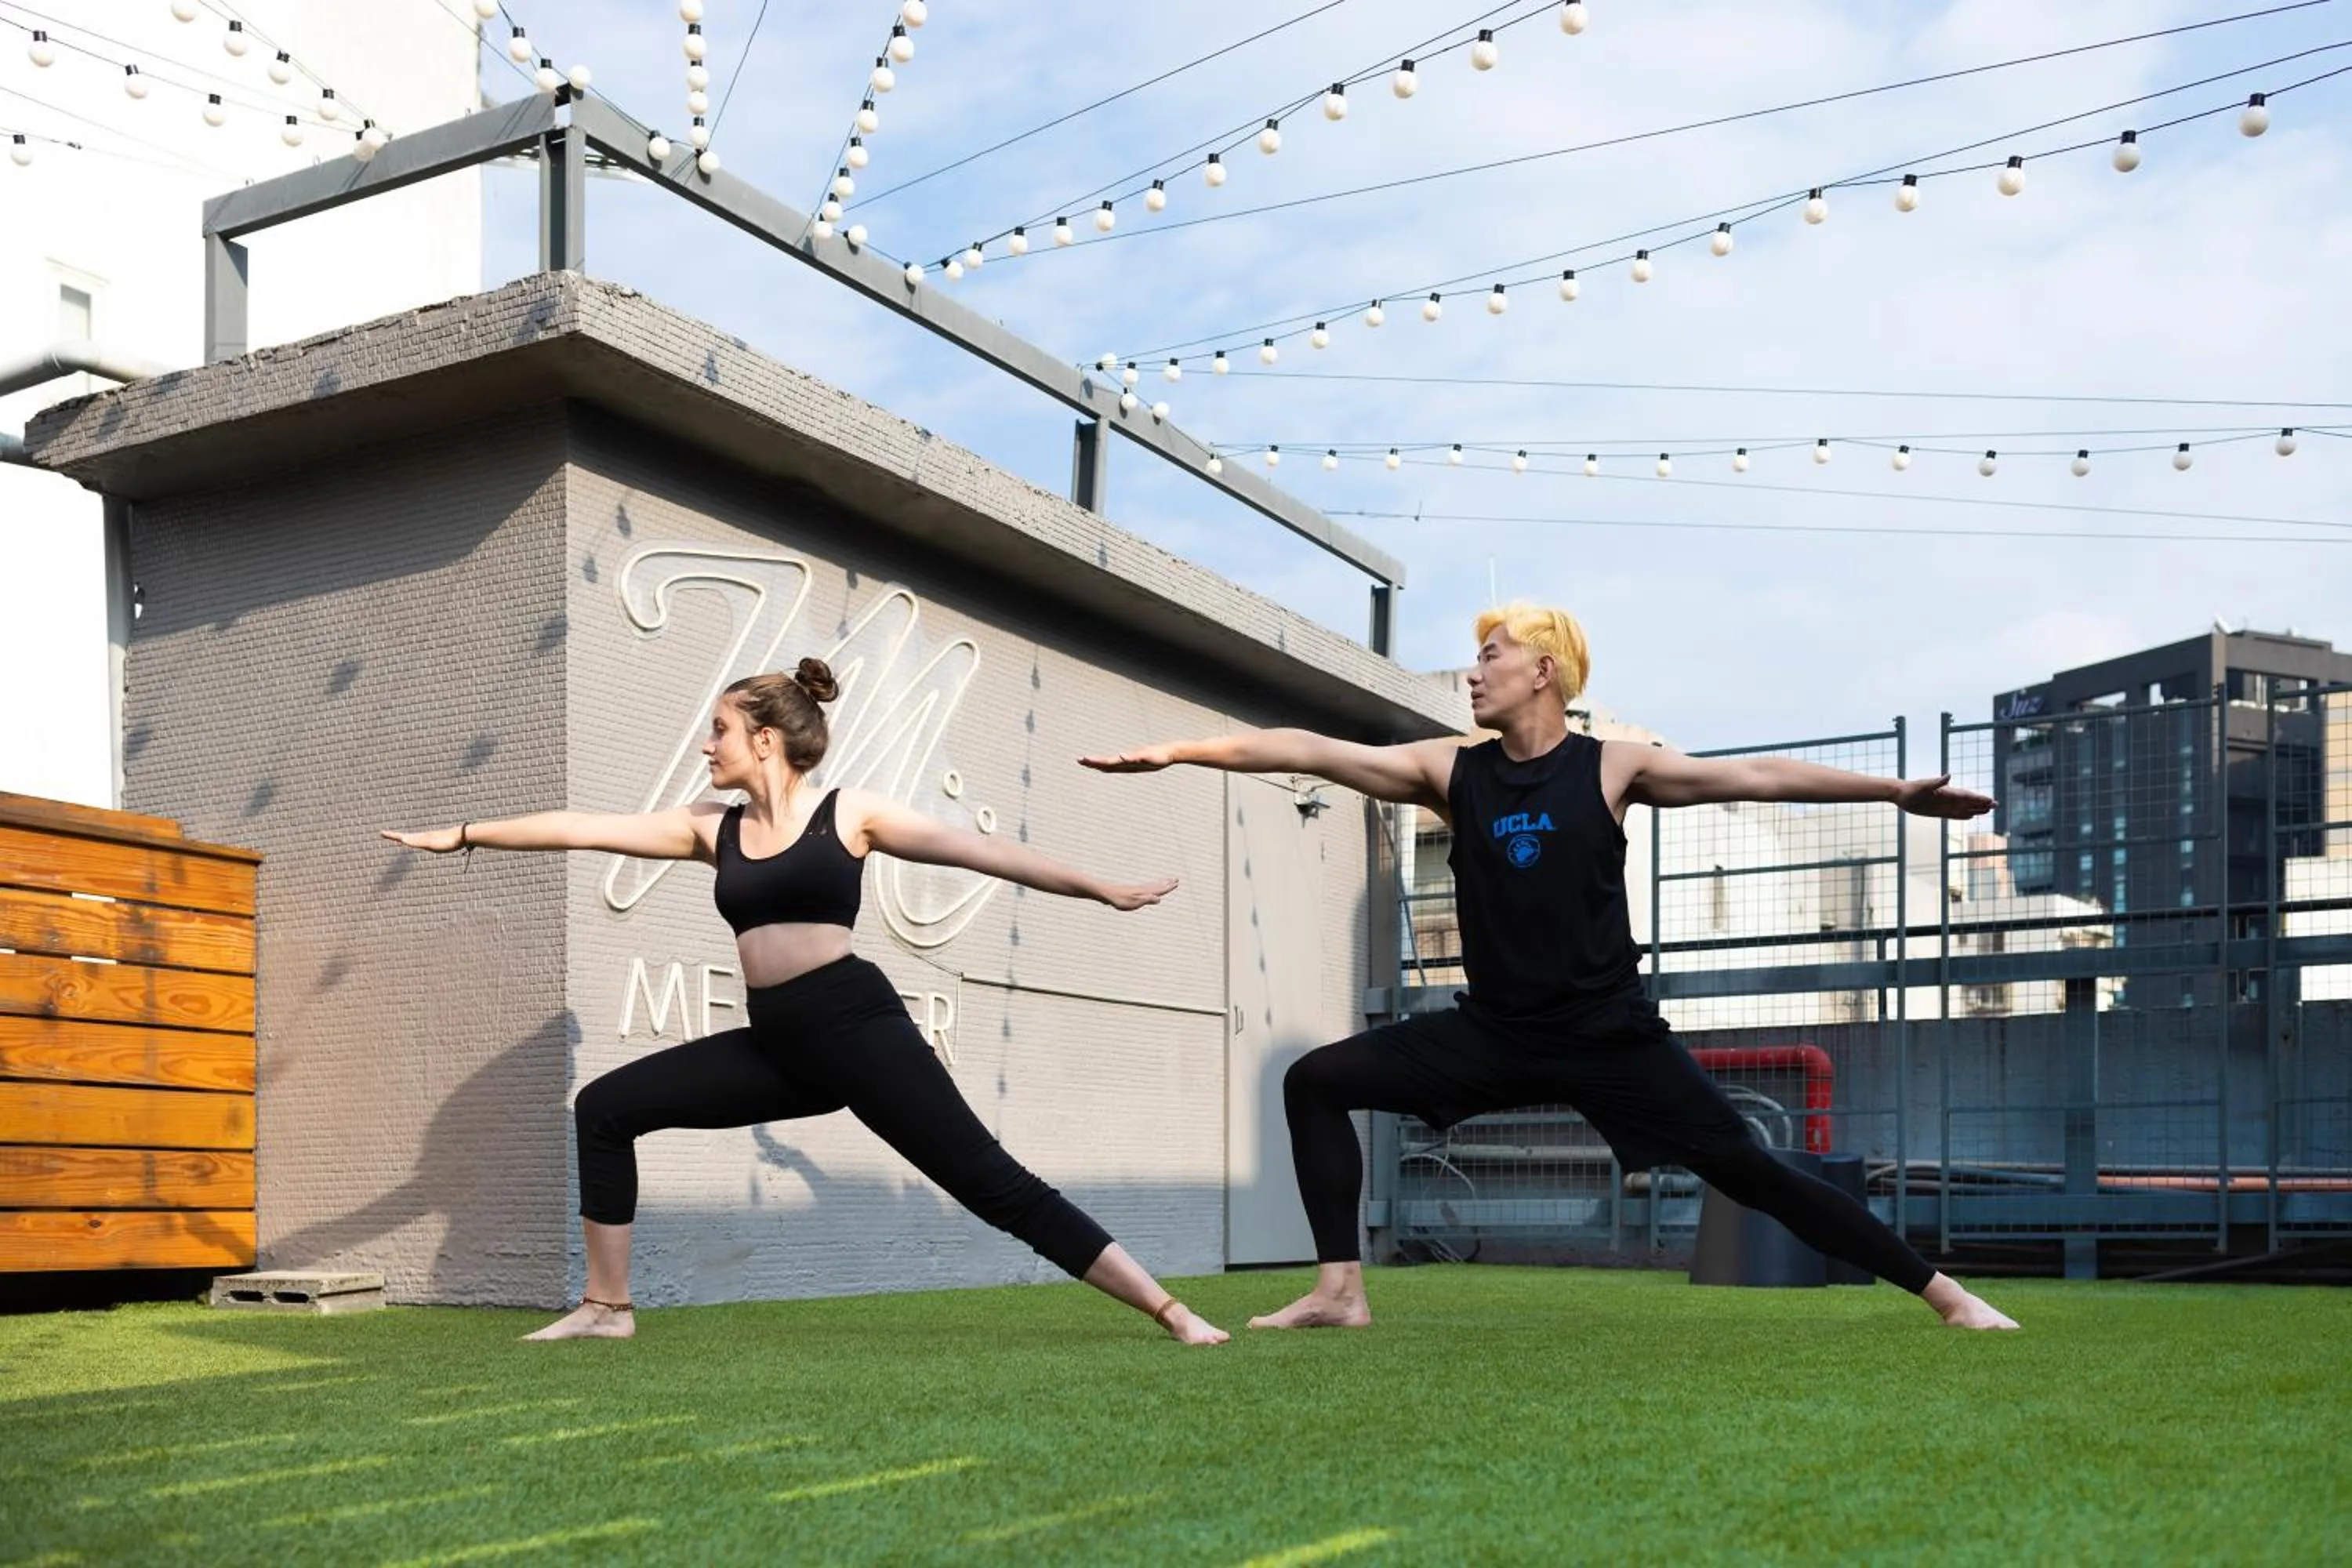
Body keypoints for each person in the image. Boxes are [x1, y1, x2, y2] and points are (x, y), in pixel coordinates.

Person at [1081, 604, 2017, 1333]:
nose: (1473, 671)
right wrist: (1181, 750)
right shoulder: (1452, 769)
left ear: (1546, 671)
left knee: (1748, 1169)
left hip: (1608, 1033)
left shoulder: (1613, 766)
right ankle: (1340, 1290)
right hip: (1495, 1031)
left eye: (1491, 654)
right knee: (1316, 1079)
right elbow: (1308, 750)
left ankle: (1944, 1294)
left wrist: (1896, 791)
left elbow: (1764, 776)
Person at [383, 658, 1227, 1345]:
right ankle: (608, 1307)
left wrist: (1102, 889)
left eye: (718, 729)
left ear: (765, 736)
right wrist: (463, 833)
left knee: (991, 1183)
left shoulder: (847, 813)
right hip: (778, 1043)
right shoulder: (707, 828)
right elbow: (582, 826)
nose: (705, 745)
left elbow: (980, 850)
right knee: (606, 1107)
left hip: (857, 1026)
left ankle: (1171, 1310)